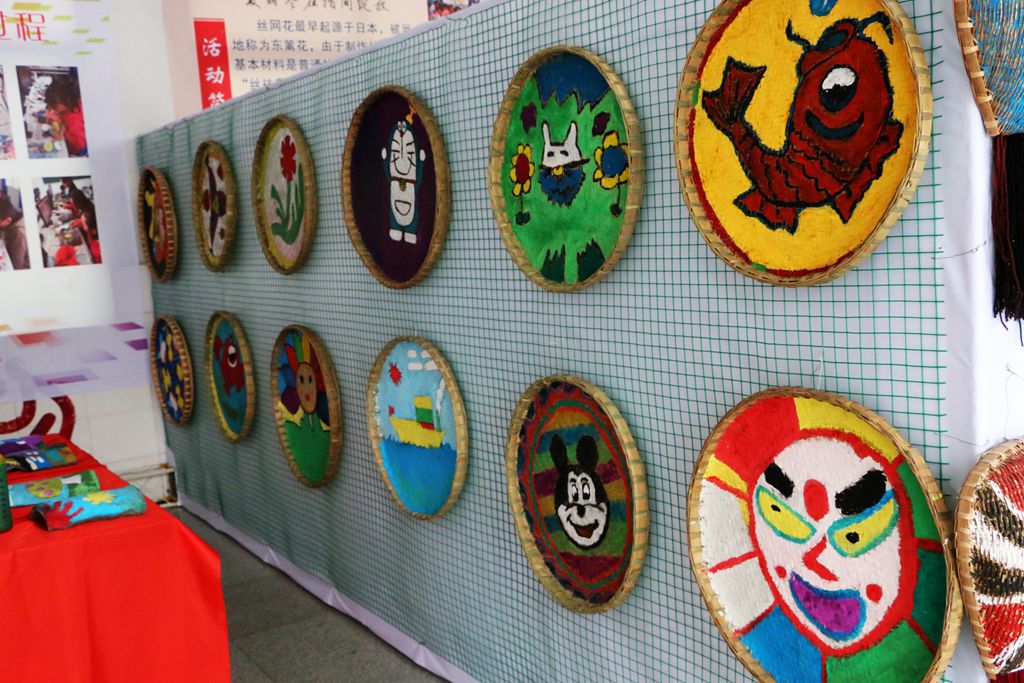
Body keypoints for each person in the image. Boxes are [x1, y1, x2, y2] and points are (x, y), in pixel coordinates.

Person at [44, 74, 87, 157]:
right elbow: (62, 117)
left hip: (76, 151)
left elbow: (79, 145)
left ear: (64, 102)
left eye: (54, 106)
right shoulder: (71, 104)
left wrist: (62, 137)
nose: (53, 109)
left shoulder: (74, 121)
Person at [0, 181, 29, 270]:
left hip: (22, 267)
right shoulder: (11, 212)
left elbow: (16, 265)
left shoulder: (19, 233)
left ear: (8, 220)